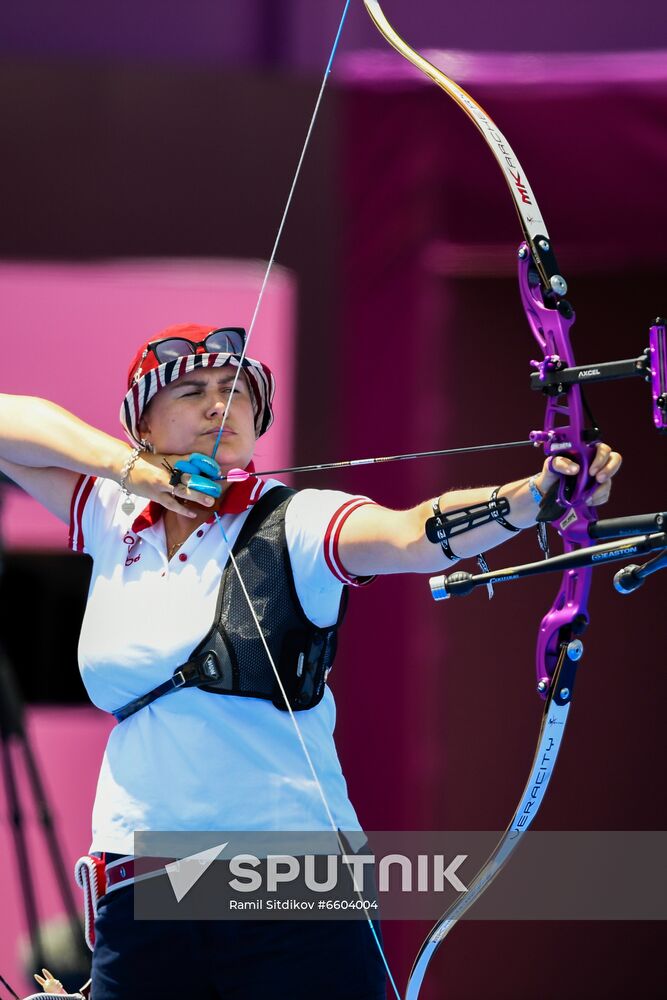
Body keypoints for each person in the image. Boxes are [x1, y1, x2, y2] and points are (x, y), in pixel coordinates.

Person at [0, 323, 621, 1000]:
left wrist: (533, 499)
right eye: (192, 390)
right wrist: (128, 469)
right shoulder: (111, 516)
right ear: (141, 423)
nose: (219, 405)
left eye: (236, 391)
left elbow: (411, 534)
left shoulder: (293, 522)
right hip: (142, 888)